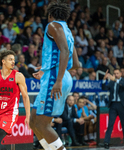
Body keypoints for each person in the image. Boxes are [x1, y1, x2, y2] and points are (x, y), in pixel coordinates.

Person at [29, 1, 80, 150]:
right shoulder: (68, 31)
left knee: (42, 124)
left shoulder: (52, 25)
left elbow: (64, 51)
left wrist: (57, 80)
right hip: (57, 76)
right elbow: (76, 63)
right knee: (33, 121)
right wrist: (46, 68)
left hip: (55, 79)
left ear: (50, 14)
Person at [101, 69, 124, 149]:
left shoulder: (122, 81)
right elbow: (104, 88)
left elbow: (122, 85)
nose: (116, 74)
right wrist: (104, 80)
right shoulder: (112, 82)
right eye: (114, 73)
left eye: (117, 73)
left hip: (122, 105)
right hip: (113, 105)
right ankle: (106, 142)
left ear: (121, 74)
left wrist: (115, 80)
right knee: (110, 124)